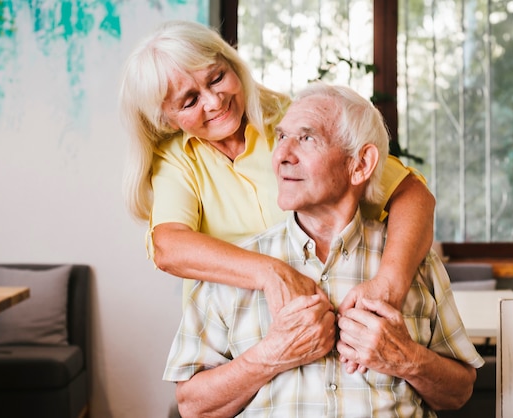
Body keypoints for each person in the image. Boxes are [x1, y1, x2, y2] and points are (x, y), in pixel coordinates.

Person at [163, 83, 484, 418]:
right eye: (282, 137)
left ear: (360, 164)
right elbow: (191, 406)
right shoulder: (233, 268)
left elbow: (459, 392)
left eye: (306, 138)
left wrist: (406, 358)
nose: (283, 155)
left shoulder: (413, 263)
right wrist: (272, 354)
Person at [118, 20, 436, 325]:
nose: (214, 102)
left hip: (340, 325)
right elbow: (170, 247)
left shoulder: (294, 119)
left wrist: (390, 285)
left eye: (216, 78)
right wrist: (272, 273)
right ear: (166, 120)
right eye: (189, 101)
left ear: (232, 64)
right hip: (233, 340)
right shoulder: (175, 160)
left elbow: (411, 194)